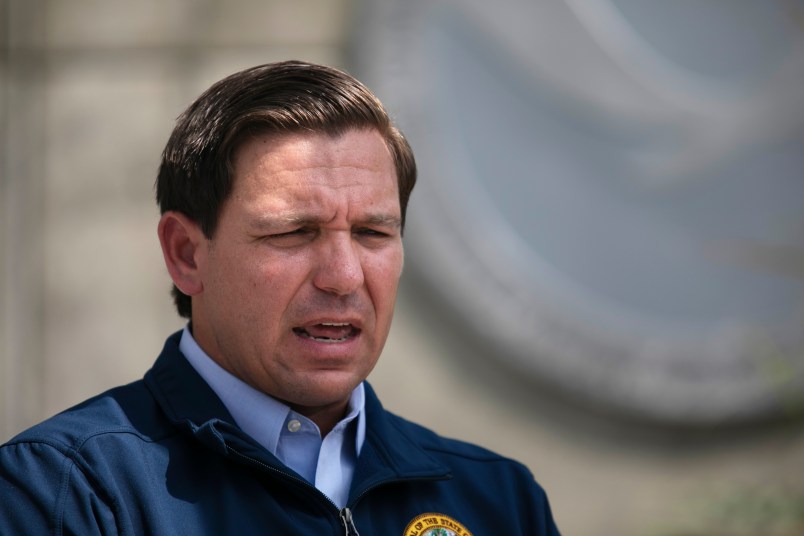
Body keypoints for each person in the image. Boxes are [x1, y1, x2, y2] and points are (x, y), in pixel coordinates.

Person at [0, 61, 560, 535]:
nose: (344, 277)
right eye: (292, 234)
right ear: (187, 254)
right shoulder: (63, 488)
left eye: (373, 233)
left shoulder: (500, 499)